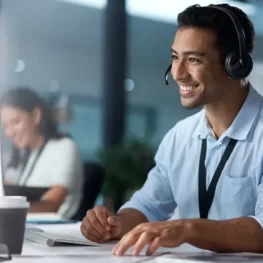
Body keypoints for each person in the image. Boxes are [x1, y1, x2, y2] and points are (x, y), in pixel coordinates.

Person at [81, 3, 263, 255]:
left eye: (193, 59)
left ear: (236, 63)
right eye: (175, 57)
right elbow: (147, 207)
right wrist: (114, 225)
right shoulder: (180, 136)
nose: (177, 73)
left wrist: (186, 229)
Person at [0, 87, 84, 219]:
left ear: (36, 116)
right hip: (27, 228)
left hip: (55, 231)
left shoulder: (65, 147)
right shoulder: (25, 153)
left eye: (15, 122)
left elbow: (51, 205)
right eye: (5, 125)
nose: (9, 132)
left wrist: (8, 213)